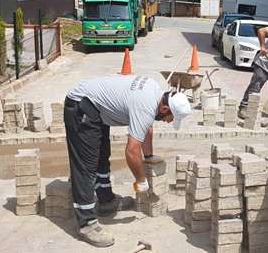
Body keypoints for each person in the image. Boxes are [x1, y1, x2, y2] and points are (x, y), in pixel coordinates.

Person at [63, 75, 191, 247]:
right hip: (81, 105)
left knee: (102, 156)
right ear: (165, 108)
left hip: (96, 108)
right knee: (86, 167)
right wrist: (141, 180)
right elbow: (131, 152)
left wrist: (148, 157)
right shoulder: (145, 107)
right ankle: (86, 224)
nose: (170, 122)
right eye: (171, 118)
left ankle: (106, 201)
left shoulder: (155, 92)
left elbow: (147, 127)